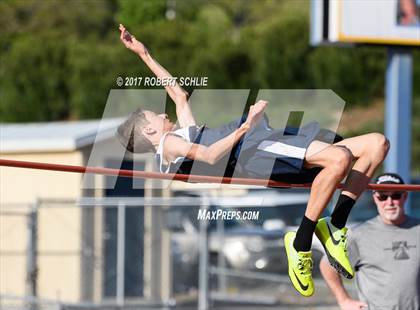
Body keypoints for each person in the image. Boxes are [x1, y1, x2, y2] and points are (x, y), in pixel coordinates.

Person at [116, 24, 390, 297]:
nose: (164, 115)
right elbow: (210, 157)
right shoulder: (169, 145)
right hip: (255, 151)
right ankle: (301, 241)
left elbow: (178, 94)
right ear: (149, 131)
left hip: (262, 140)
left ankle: (334, 224)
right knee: (339, 158)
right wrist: (247, 125)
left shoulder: (180, 135)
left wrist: (143, 54)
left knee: (377, 144)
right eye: (156, 116)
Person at [320, 173, 420, 309]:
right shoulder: (360, 234)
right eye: (383, 196)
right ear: (375, 198)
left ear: (405, 196)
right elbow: (327, 265)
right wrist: (344, 300)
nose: (389, 202)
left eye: (396, 195)